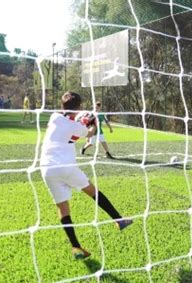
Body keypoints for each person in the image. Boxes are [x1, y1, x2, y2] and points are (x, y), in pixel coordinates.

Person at [40, 91, 132, 260]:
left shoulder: (54, 117)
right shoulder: (77, 127)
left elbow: (69, 123)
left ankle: (76, 247)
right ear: (80, 106)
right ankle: (119, 220)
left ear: (62, 105)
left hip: (46, 169)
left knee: (62, 208)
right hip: (65, 167)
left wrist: (83, 119)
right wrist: (92, 122)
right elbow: (90, 133)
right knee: (93, 191)